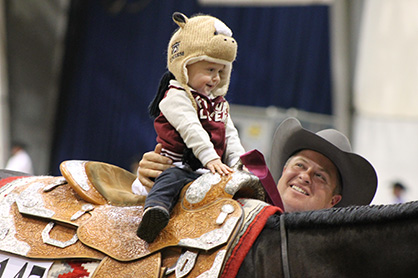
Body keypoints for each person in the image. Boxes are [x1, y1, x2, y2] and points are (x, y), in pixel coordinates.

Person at [134, 12, 245, 243]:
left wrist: (239, 163)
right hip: (180, 163)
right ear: (185, 66)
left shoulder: (219, 104)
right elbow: (191, 128)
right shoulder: (175, 96)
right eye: (209, 70)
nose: (215, 78)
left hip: (209, 168)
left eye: (220, 72)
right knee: (170, 179)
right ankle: (154, 212)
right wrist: (211, 158)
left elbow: (230, 135)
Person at [136, 117, 378, 212]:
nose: (305, 176)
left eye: (321, 177)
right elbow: (186, 190)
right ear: (283, 171)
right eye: (301, 166)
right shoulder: (237, 196)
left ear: (333, 201)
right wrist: (149, 180)